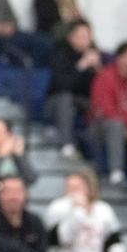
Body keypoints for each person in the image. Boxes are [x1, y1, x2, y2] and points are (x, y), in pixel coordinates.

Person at [89, 41, 127, 185]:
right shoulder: (105, 77)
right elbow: (106, 109)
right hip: (103, 126)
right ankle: (116, 172)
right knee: (115, 125)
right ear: (120, 58)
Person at [47, 19, 102, 159]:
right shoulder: (60, 54)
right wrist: (81, 66)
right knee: (65, 99)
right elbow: (61, 86)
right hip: (56, 102)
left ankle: (99, 164)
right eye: (81, 36)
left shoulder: (95, 55)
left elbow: (103, 87)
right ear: (71, 37)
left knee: (102, 108)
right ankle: (67, 144)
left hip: (83, 101)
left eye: (87, 36)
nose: (85, 40)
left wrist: (98, 69)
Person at [0, 176, 47, 252]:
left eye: (17, 192)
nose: (13, 197)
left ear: (26, 194)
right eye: (8, 192)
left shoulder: (35, 222)